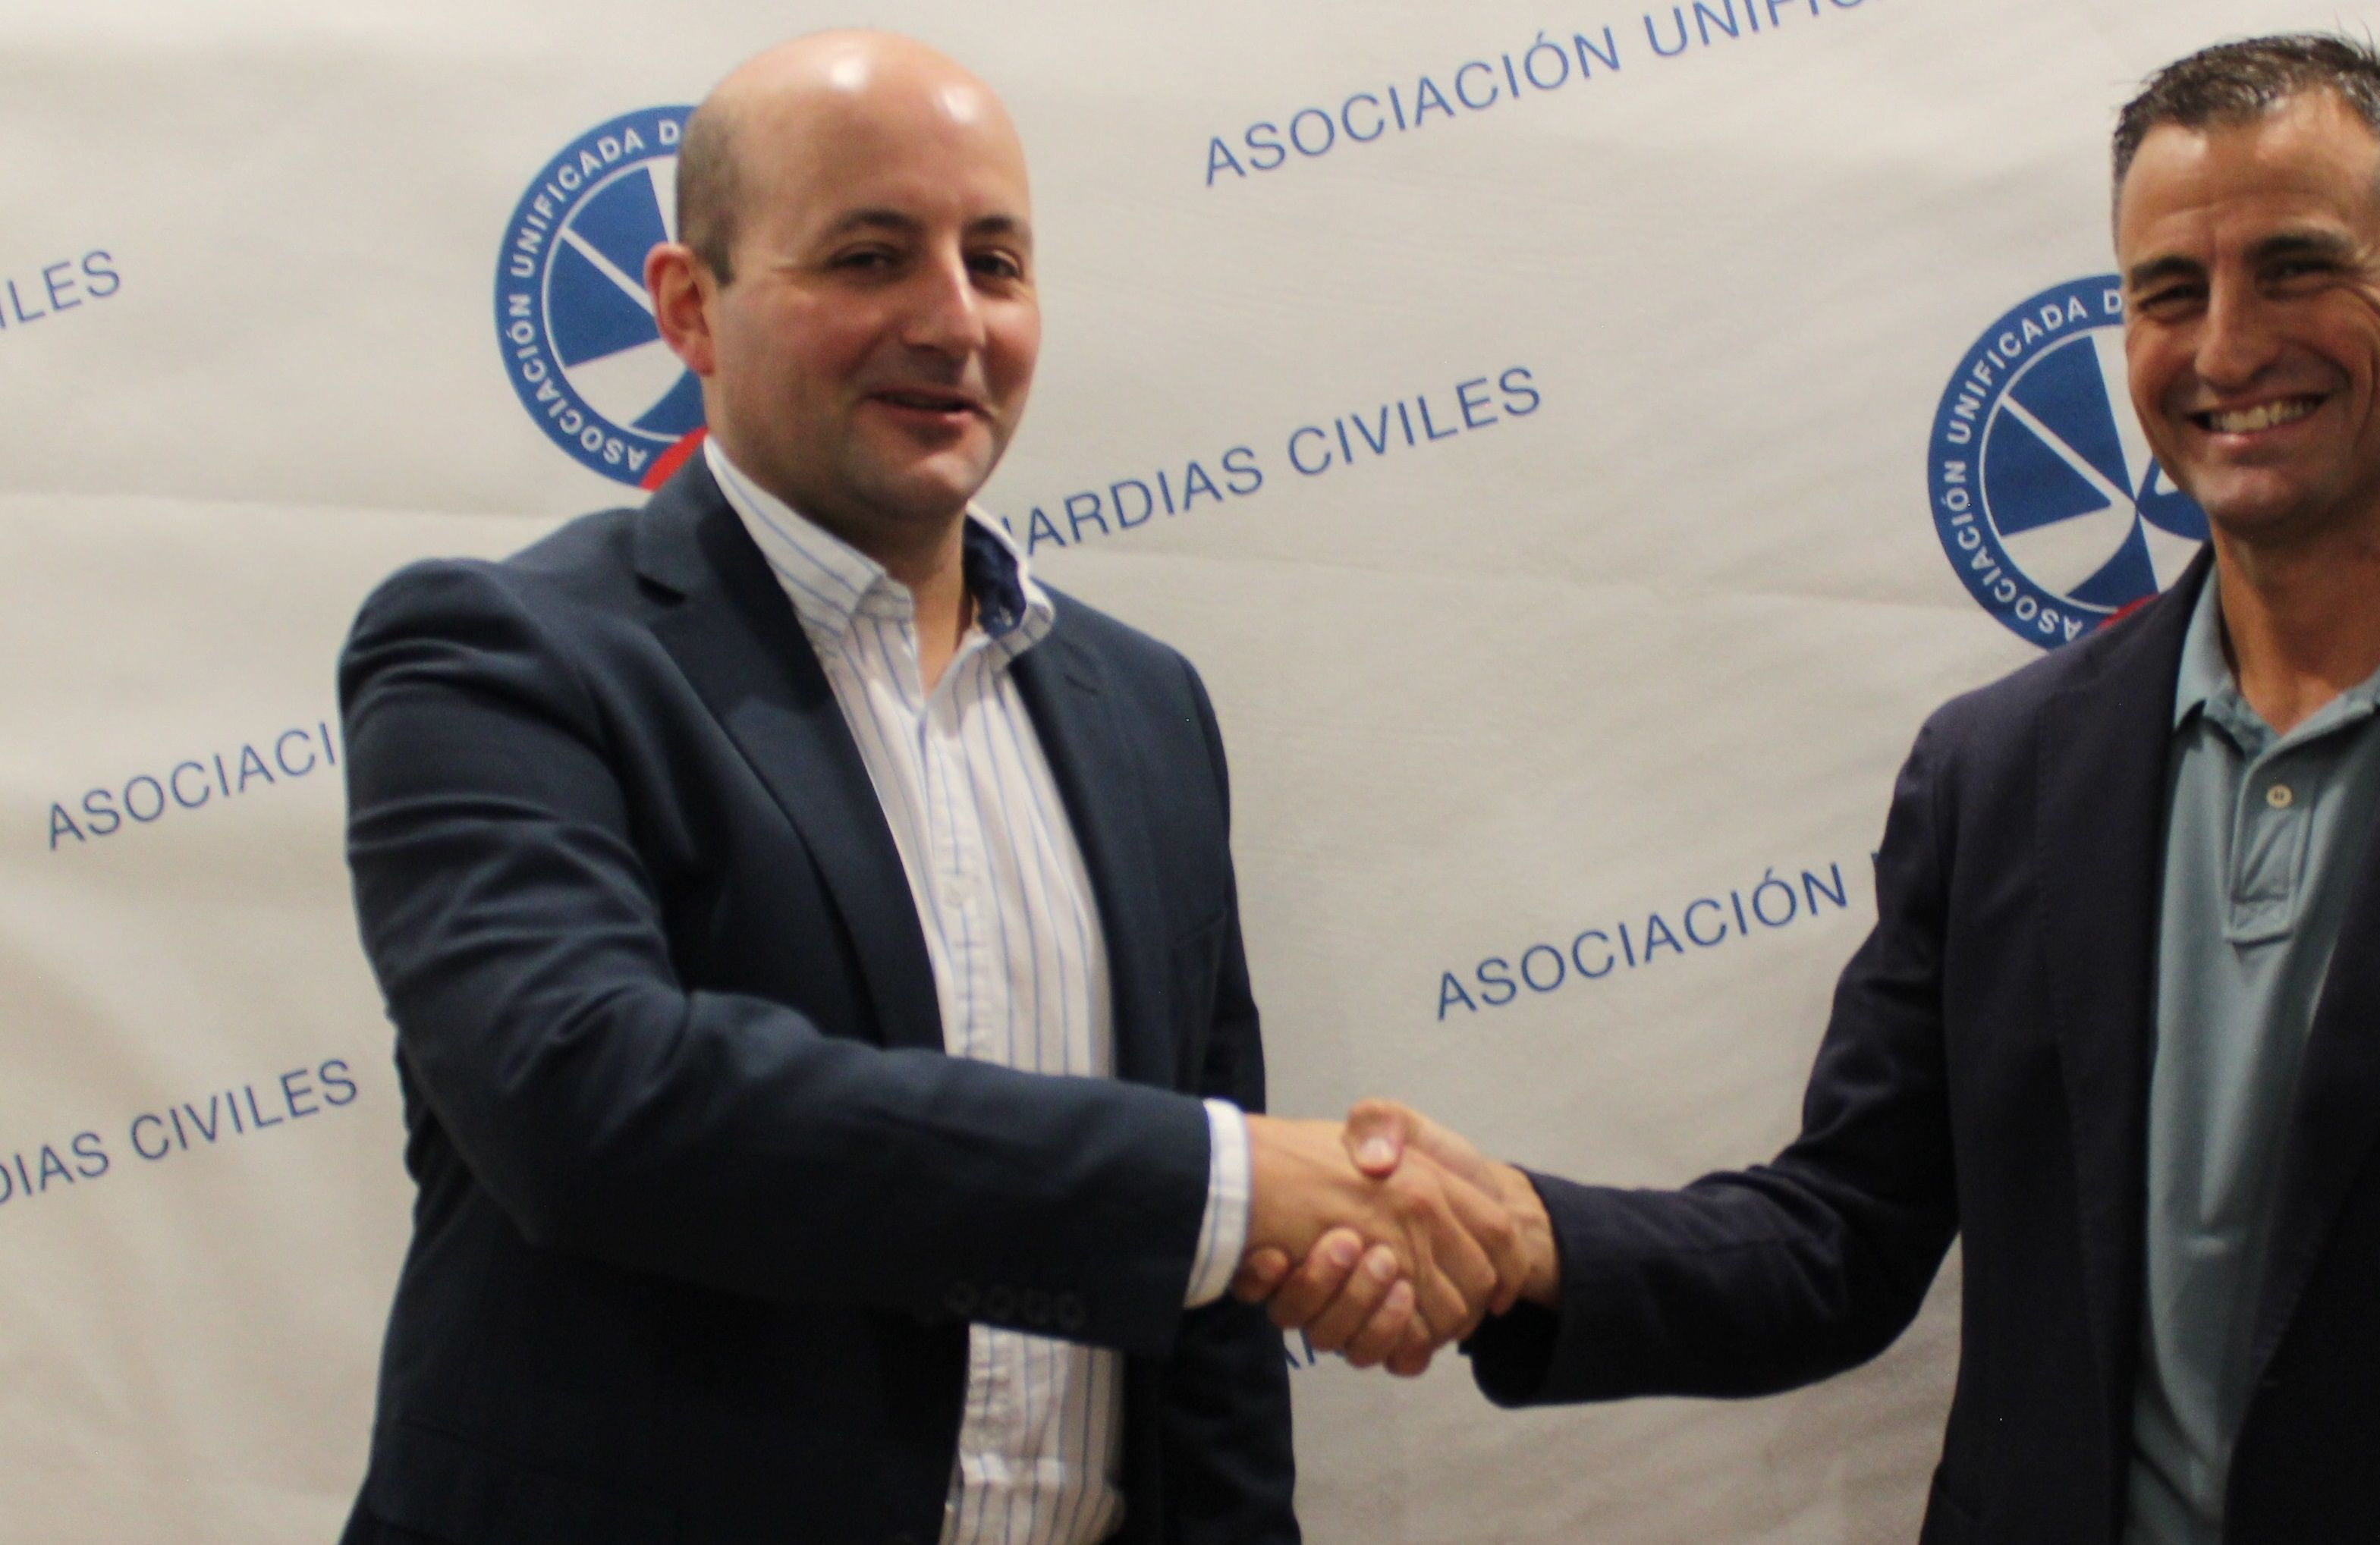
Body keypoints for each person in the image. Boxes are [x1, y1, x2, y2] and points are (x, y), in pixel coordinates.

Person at [1247, 33, 2380, 1543]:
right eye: (2170, 290)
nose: (2228, 345)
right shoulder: (2003, 767)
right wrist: (1525, 1238)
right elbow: (1842, 1231)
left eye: (2299, 264)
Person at [332, 31, 1517, 1545]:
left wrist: (1254, 1222)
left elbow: (1207, 1319)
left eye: (998, 262)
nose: (952, 321)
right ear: (691, 308)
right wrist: (1223, 1183)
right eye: (871, 255)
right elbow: (589, 1099)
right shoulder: (500, 652)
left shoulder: (1146, 709)